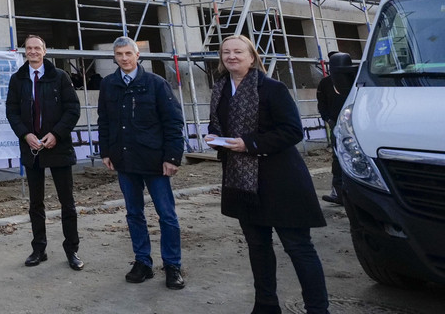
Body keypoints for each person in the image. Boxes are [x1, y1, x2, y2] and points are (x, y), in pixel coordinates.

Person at [206, 35, 329, 314]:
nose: (231, 56)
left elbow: (292, 131)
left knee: (298, 248)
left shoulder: (272, 88)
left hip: (280, 180)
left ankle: (318, 309)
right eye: (226, 52)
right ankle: (265, 305)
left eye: (238, 51)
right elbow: (220, 124)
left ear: (252, 57)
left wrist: (249, 143)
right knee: (257, 246)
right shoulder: (220, 89)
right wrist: (216, 138)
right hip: (243, 183)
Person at [97, 36, 186, 290]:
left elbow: (173, 122)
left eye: (128, 54)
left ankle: (172, 265)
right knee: (134, 213)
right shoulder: (109, 85)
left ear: (138, 56)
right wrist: (106, 151)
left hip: (155, 161)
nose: (124, 58)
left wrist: (172, 157)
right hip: (124, 161)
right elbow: (104, 121)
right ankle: (142, 262)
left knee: (167, 215)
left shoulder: (155, 84)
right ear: (114, 57)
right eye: (119, 55)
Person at [5, 35, 83, 270]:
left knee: (67, 202)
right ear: (24, 52)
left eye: (37, 48)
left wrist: (56, 134)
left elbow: (72, 109)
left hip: (57, 146)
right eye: (29, 48)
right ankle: (39, 249)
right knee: (35, 203)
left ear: (45, 51)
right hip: (32, 149)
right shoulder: (17, 79)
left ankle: (72, 250)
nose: (33, 52)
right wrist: (25, 134)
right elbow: (12, 111)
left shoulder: (60, 77)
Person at [315, 52, 355, 205]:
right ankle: (339, 193)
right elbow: (321, 103)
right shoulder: (325, 83)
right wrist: (328, 119)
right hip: (336, 125)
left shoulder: (354, 80)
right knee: (338, 158)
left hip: (356, 124)